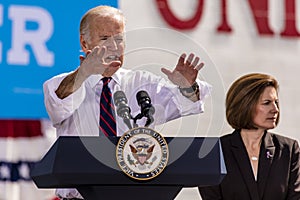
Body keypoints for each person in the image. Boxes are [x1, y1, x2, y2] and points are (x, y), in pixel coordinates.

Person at [43, 5, 211, 199]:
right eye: (105, 39)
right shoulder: (60, 83)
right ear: (85, 43)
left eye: (119, 39)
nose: (114, 47)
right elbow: (58, 103)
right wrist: (84, 73)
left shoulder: (141, 83)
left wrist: (187, 86)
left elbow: (185, 102)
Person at [199, 73, 300, 200]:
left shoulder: (289, 150)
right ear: (245, 105)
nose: (275, 109)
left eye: (276, 102)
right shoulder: (213, 152)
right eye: (267, 103)